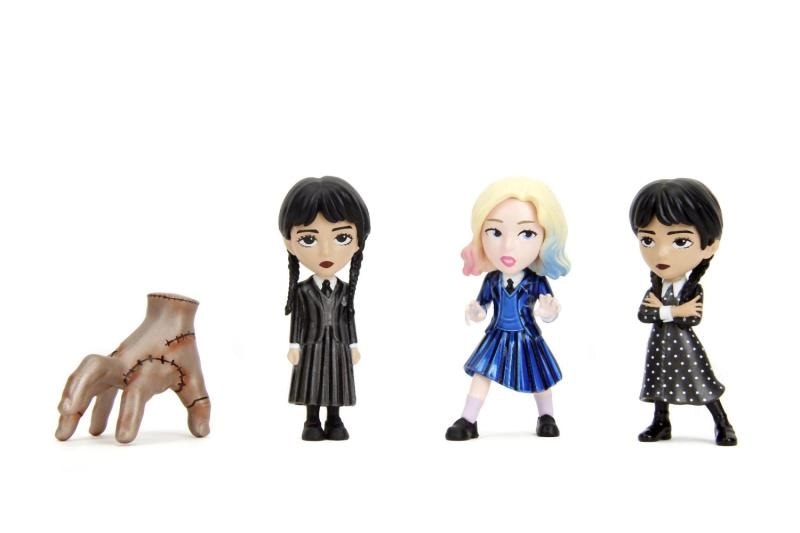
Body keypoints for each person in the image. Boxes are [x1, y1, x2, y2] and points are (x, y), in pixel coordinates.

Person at [446, 177, 570, 440]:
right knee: (481, 373)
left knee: (539, 376)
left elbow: (548, 305)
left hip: (526, 336)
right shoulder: (492, 280)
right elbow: (483, 305)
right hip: (497, 335)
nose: (508, 246)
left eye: (527, 234)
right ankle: (468, 419)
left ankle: (546, 416)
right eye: (495, 232)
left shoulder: (535, 280)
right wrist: (477, 312)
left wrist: (549, 313)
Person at [629, 178, 737, 446]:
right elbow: (644, 314)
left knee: (702, 381)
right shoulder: (656, 288)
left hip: (685, 346)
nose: (661, 253)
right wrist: (674, 311)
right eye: (648, 240)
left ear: (709, 245)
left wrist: (664, 310)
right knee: (658, 382)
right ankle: (661, 422)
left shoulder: (691, 290)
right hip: (659, 344)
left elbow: (692, 317)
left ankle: (722, 422)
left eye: (680, 241)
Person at [278, 176, 371, 441]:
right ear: (289, 243)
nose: (326, 252)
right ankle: (311, 420)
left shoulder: (345, 291)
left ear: (358, 241)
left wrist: (353, 345)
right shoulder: (302, 291)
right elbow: (298, 319)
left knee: (336, 382)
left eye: (342, 237)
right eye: (309, 239)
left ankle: (334, 418)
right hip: (312, 344)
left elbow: (349, 318)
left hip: (338, 344)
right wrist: (294, 345)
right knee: (311, 380)